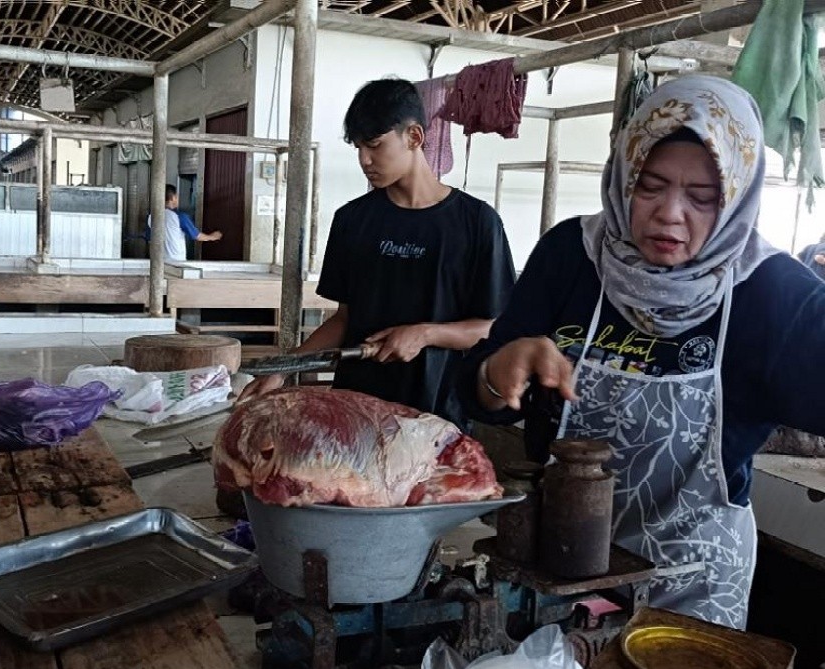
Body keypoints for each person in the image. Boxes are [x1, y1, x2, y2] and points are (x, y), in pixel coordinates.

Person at [461, 75, 825, 630]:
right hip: (559, 571)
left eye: (703, 197)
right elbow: (482, 393)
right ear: (623, 174)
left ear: (738, 194)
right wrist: (497, 369)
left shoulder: (776, 295)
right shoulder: (572, 256)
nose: (670, 214)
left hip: (694, 584)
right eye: (650, 186)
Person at [240, 77, 516, 433]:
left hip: (437, 413)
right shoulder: (353, 220)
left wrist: (425, 334)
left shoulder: (477, 223)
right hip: (356, 408)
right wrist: (285, 367)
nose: (364, 160)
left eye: (374, 145)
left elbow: (491, 328)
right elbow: (344, 320)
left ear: (414, 137)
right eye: (358, 148)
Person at [145, 183, 222, 261]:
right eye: (176, 197)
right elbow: (197, 236)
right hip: (177, 261)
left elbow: (150, 241)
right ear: (173, 198)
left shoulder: (151, 217)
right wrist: (213, 237)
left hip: (158, 263)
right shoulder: (179, 217)